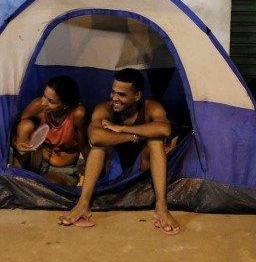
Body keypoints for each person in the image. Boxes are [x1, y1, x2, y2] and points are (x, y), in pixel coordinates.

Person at [58, 68, 181, 235]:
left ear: (137, 95)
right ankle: (83, 204)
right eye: (113, 92)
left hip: (141, 169)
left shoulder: (151, 107)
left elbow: (165, 129)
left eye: (121, 94)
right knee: (99, 145)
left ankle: (161, 207)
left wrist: (121, 128)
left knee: (156, 140)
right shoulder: (104, 109)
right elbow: (94, 137)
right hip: (112, 167)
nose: (114, 98)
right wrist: (134, 136)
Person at [12, 76, 88, 186]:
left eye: (51, 101)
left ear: (65, 105)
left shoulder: (77, 115)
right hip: (38, 161)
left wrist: (88, 171)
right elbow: (15, 132)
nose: (43, 103)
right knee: (25, 125)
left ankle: (31, 183)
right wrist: (17, 145)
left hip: (61, 170)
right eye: (44, 96)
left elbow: (84, 145)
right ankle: (17, 178)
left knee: (46, 185)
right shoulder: (38, 106)